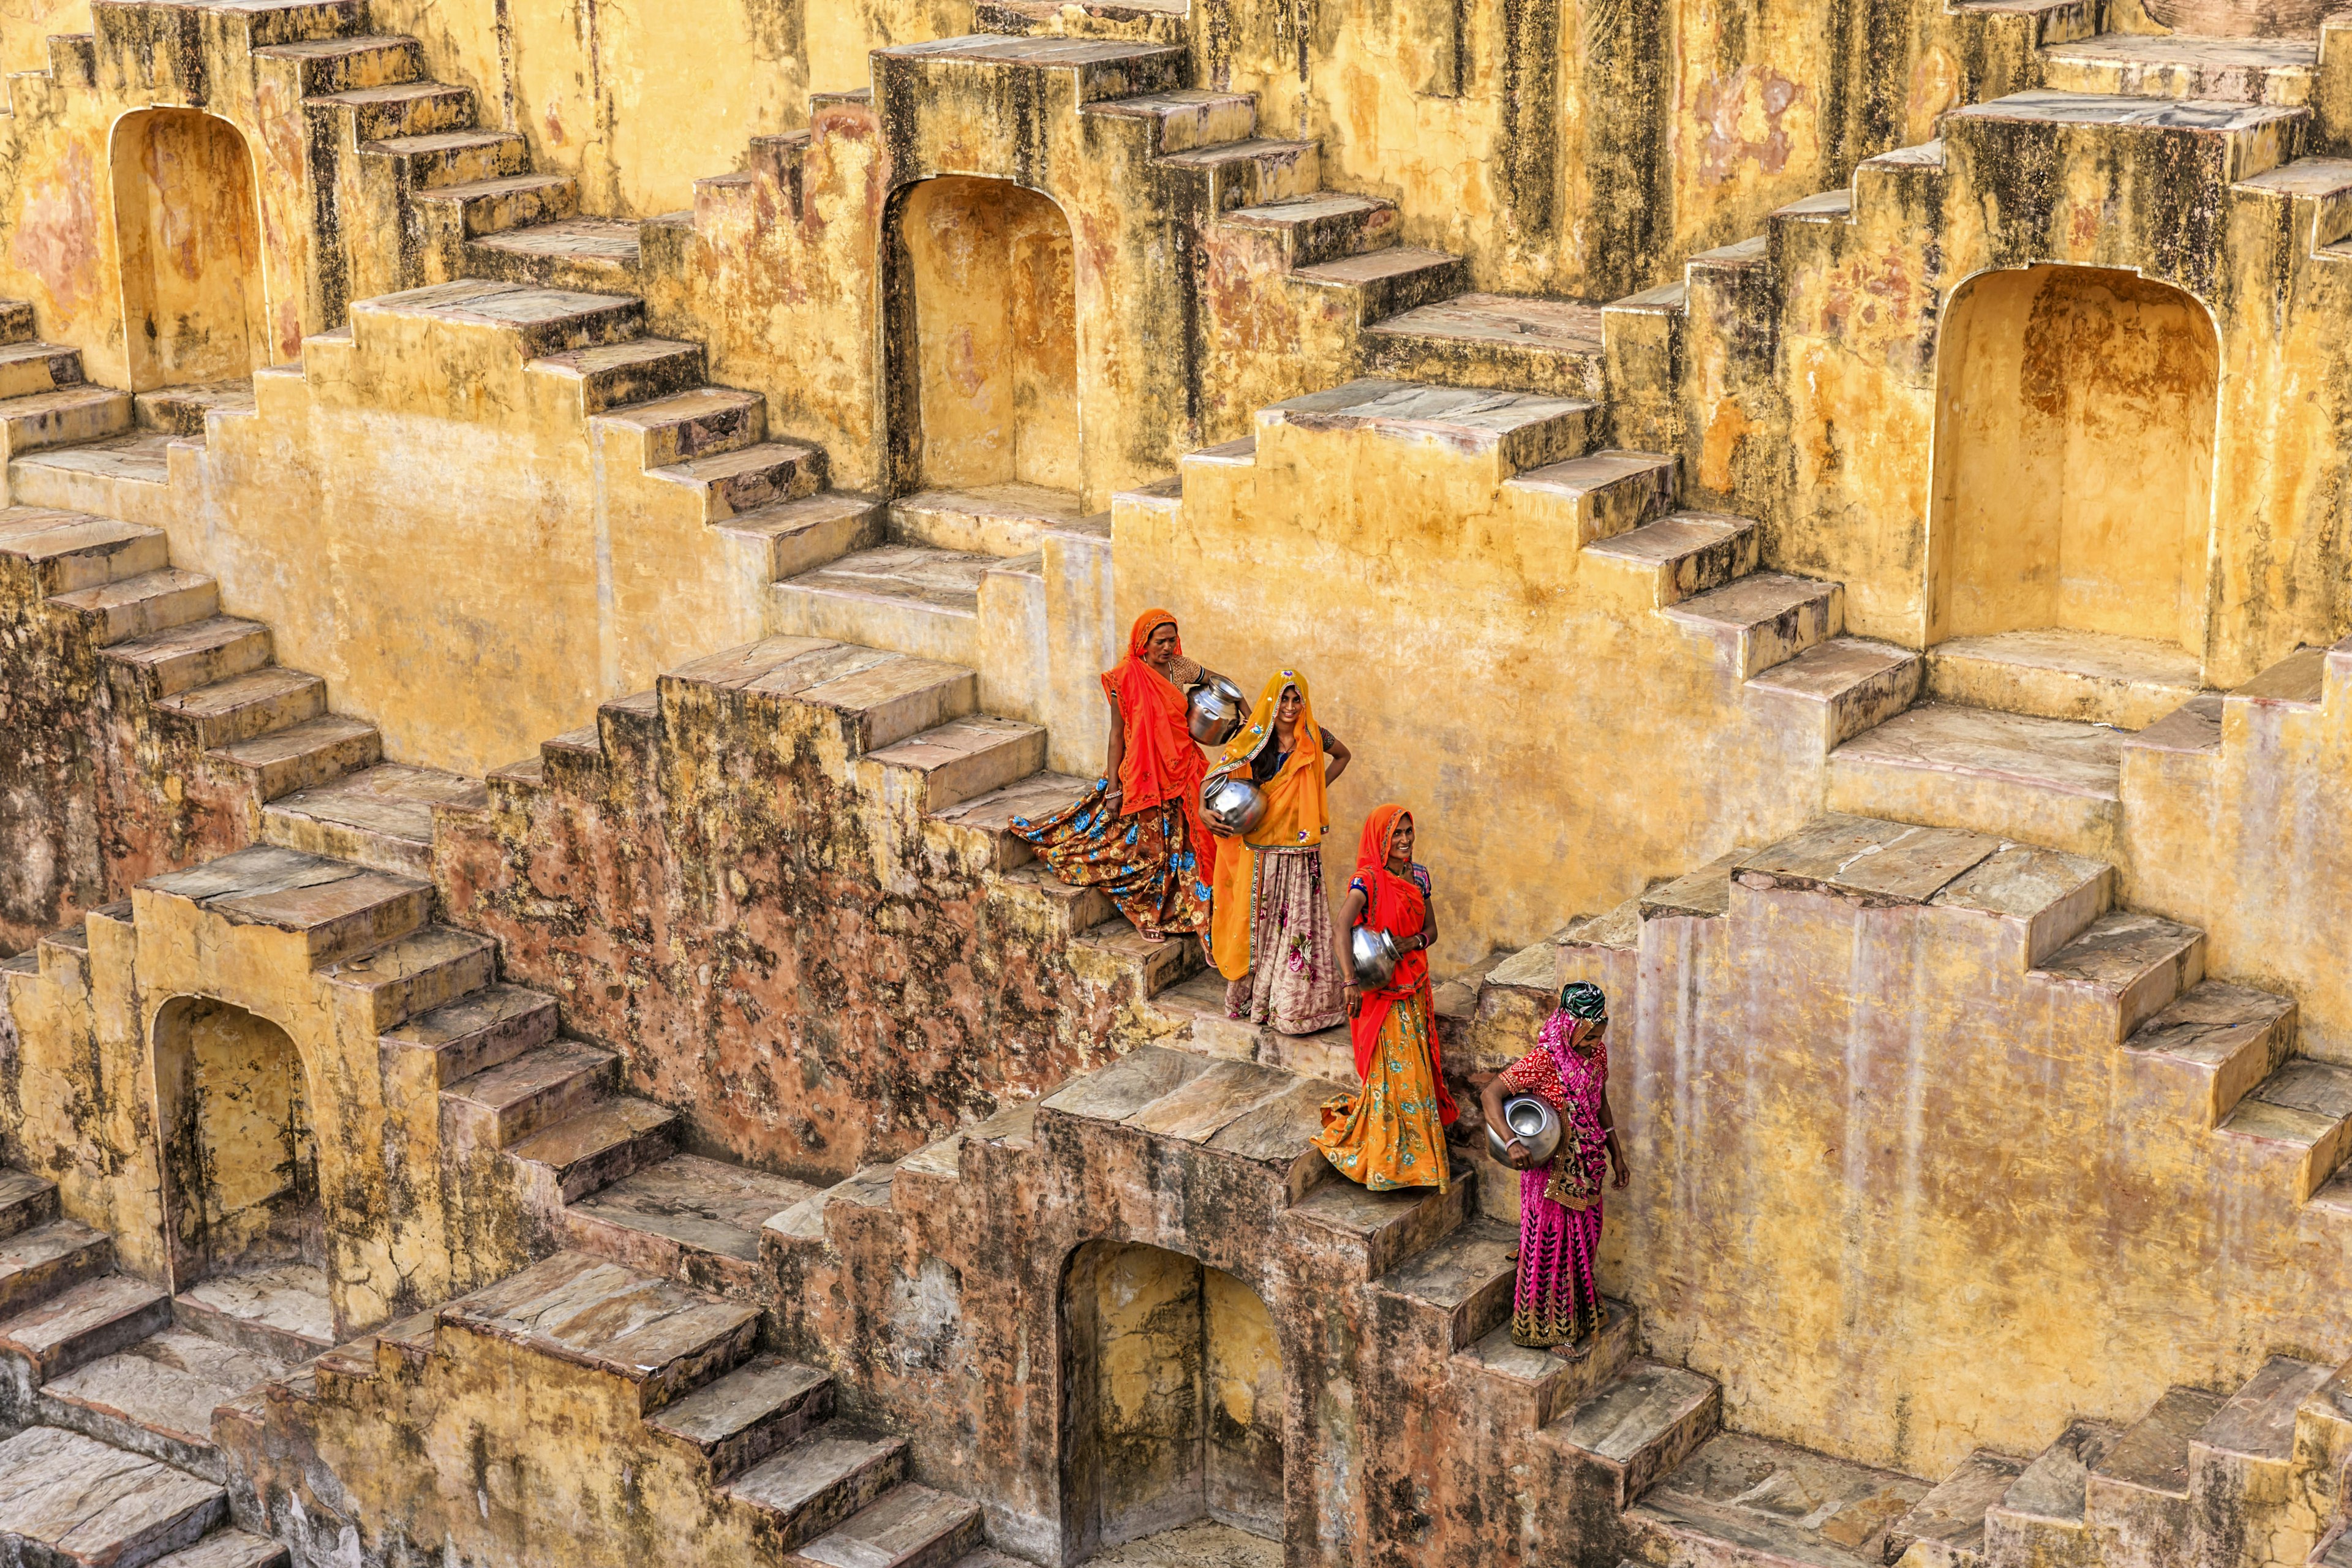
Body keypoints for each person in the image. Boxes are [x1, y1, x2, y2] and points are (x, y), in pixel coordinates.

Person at [1011, 608, 1227, 942]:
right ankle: (1145, 914)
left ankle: (1186, 914)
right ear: (1144, 642)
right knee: (1144, 854)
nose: (1167, 647)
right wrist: (1113, 788)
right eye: (1160, 641)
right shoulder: (1124, 677)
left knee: (1187, 853)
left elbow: (1221, 684)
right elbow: (1117, 735)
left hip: (1182, 770)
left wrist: (1241, 711)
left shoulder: (1180, 668)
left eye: (1172, 640)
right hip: (1143, 775)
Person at [1311, 804, 1456, 1190]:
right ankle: (1388, 1163)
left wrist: (1412, 942)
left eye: (1410, 832)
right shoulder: (1368, 880)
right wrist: (1348, 983)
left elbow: (1432, 929)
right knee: (1392, 1074)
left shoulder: (1420, 876)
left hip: (1414, 984)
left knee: (1417, 1074)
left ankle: (1418, 1161)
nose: (1406, 841)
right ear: (1382, 839)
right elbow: (1342, 926)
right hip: (1382, 989)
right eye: (1397, 835)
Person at [1483, 981, 1629, 1360]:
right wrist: (1512, 1142)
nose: (1593, 1042)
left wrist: (1616, 1152)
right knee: (1552, 1245)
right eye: (1588, 1033)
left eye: (1599, 1033)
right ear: (1570, 1023)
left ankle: (1577, 1317)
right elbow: (1491, 1095)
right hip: (1551, 1173)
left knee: (1586, 1238)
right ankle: (1547, 1328)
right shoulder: (1544, 1060)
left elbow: (1600, 1101)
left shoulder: (1596, 1057)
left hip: (1588, 1166)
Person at [1205, 671, 1352, 1035]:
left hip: (1300, 850)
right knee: (1260, 926)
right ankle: (1255, 1000)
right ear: (1273, 702)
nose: (1290, 707)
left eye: (1296, 699)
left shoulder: (1315, 737)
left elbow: (1343, 755)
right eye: (1283, 700)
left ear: (1304, 702)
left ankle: (1294, 1006)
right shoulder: (1256, 739)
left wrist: (1315, 790)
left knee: (1298, 926)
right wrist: (1200, 809)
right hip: (1261, 846)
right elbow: (1214, 777)